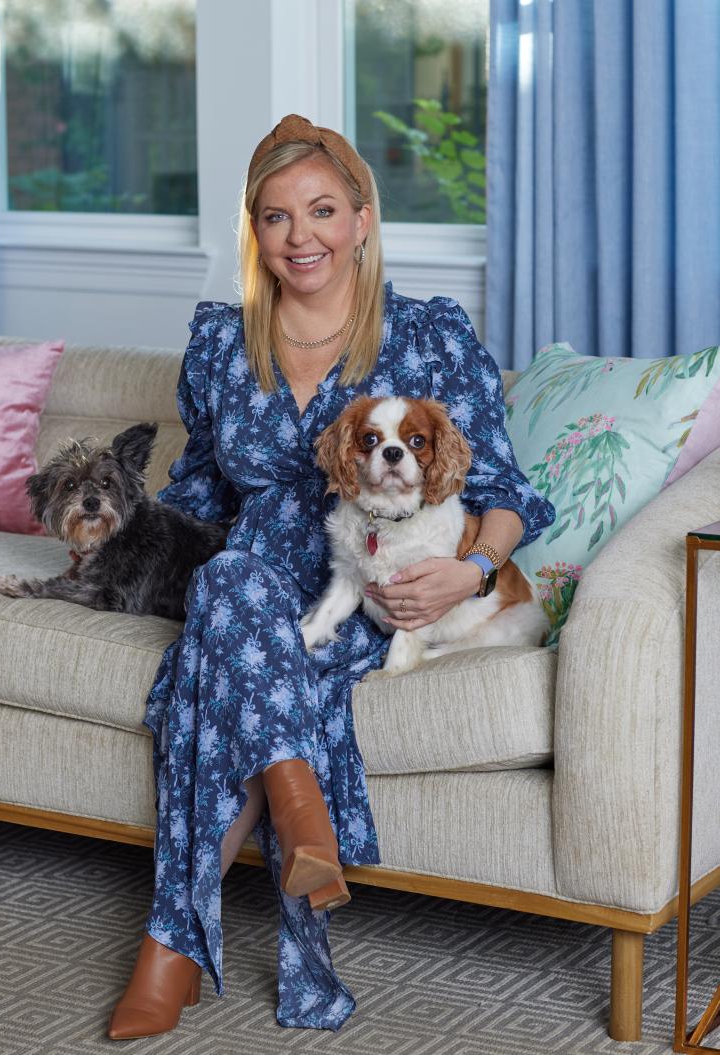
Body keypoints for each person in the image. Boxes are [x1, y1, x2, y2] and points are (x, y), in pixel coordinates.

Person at [107, 114, 555, 1040]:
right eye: (275, 217)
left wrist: (470, 571)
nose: (298, 236)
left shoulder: (427, 335)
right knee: (228, 583)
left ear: (360, 218)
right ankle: (297, 815)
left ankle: (172, 949)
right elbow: (194, 493)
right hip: (247, 575)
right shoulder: (221, 342)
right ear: (254, 231)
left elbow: (507, 490)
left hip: (363, 588)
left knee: (211, 660)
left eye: (319, 211)